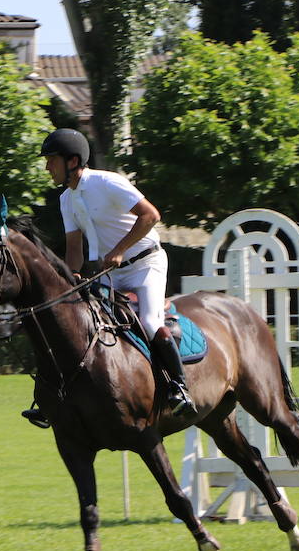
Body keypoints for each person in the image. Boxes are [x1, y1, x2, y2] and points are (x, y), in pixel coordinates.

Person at [21, 128, 195, 428]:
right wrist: (70, 276)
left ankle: (179, 388)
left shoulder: (108, 182)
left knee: (151, 322)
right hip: (109, 274)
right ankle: (55, 397)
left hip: (145, 264)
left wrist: (119, 250)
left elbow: (151, 215)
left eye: (52, 160)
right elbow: (74, 248)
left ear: (72, 161)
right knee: (76, 325)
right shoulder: (66, 200)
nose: (48, 167)